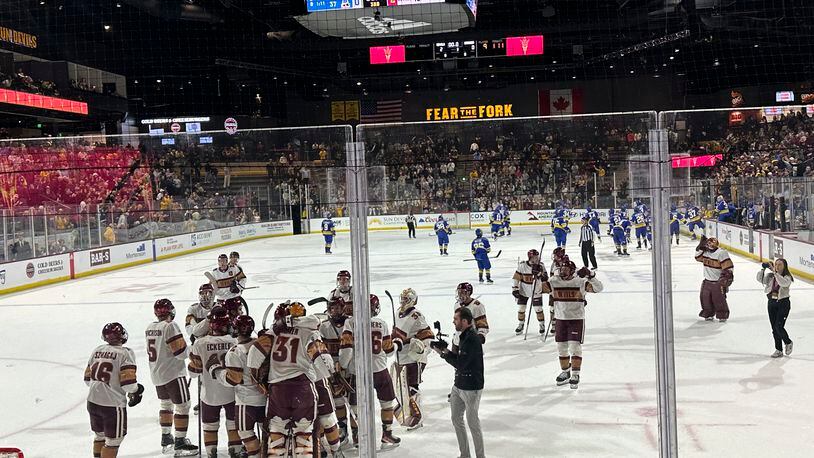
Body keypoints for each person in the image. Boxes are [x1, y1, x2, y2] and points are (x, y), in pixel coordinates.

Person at [247, 301, 334, 457]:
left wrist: (256, 377)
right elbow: (325, 365)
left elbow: (253, 356)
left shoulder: (274, 333)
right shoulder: (309, 332)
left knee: (276, 433)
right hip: (304, 389)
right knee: (304, 434)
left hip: (278, 391)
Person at [339, 294, 401, 449]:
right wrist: (397, 344)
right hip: (379, 369)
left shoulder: (351, 322)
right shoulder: (381, 323)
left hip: (358, 371)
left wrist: (343, 365)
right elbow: (387, 350)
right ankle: (387, 435)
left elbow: (347, 349)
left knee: (356, 406)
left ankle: (358, 437)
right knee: (386, 404)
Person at [208, 315, 266, 458]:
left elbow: (233, 379)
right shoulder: (261, 345)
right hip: (265, 398)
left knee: (245, 433)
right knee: (267, 433)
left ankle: (255, 455)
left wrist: (216, 370)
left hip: (245, 402)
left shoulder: (235, 352)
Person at [145, 299, 198, 456]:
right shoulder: (170, 326)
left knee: (166, 405)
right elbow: (181, 353)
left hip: (157, 374)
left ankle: (166, 438)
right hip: (173, 374)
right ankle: (180, 443)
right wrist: (195, 347)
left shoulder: (150, 327)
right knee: (183, 406)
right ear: (171, 311)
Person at [431, 307, 485, 458]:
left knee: (473, 423)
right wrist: (444, 351)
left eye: (456, 319)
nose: (453, 321)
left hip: (471, 387)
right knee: (456, 418)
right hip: (459, 384)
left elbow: (461, 364)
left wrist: (445, 353)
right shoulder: (463, 337)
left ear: (465, 321)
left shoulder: (472, 339)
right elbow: (459, 361)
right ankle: (465, 455)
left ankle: (481, 456)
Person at [188, 306, 241, 458]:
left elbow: (193, 373)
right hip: (231, 392)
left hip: (209, 394)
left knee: (210, 426)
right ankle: (236, 451)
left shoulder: (200, 343)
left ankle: (211, 453)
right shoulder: (234, 341)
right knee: (233, 423)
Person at [85, 322, 144, 458]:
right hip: (112, 405)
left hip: (92, 401)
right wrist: (137, 390)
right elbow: (128, 384)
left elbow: (87, 380)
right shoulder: (125, 353)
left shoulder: (97, 350)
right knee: (113, 441)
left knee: (100, 436)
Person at [541, 261, 604, 389]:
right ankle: (565, 371)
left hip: (576, 319)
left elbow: (599, 288)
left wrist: (591, 275)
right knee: (561, 348)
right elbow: (537, 290)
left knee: (574, 347)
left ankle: (575, 373)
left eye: (565, 269)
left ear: (572, 270)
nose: (562, 271)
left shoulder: (580, 282)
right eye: (561, 268)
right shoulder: (554, 281)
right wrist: (537, 276)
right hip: (560, 319)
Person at [391, 288, 435, 429]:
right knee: (401, 387)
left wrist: (422, 348)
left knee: (412, 387)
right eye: (402, 299)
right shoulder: (398, 312)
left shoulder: (416, 316)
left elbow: (428, 336)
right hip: (401, 356)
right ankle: (409, 412)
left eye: (406, 299)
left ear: (413, 300)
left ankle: (417, 417)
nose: (403, 302)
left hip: (413, 358)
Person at [319, 297, 352, 445]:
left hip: (350, 367)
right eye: (332, 308)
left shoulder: (350, 323)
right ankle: (343, 427)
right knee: (338, 400)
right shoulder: (324, 326)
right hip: (332, 368)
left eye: (337, 307)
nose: (334, 311)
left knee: (354, 401)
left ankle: (357, 432)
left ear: (343, 307)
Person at [757, 259, 794, 358]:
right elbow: (760, 279)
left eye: (780, 264)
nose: (777, 266)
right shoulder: (771, 276)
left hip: (783, 303)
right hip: (771, 302)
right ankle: (778, 349)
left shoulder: (787, 277)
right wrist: (762, 269)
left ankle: (788, 342)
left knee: (779, 326)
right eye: (776, 264)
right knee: (774, 328)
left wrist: (774, 272)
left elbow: (783, 283)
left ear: (784, 266)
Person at [694, 236, 734, 322]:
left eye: (710, 244)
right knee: (705, 299)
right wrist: (700, 248)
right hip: (707, 281)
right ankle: (708, 313)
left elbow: (728, 267)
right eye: (707, 244)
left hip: (718, 283)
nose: (708, 246)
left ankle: (722, 315)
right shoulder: (705, 252)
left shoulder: (721, 253)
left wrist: (726, 277)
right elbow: (697, 258)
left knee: (719, 299)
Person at [513, 249, 546, 335]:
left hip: (536, 291)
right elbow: (516, 278)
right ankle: (521, 324)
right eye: (535, 257)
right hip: (523, 291)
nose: (537, 258)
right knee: (521, 308)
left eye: (537, 257)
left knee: (538, 309)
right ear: (530, 257)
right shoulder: (522, 265)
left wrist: (539, 274)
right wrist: (515, 289)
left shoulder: (541, 265)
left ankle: (542, 325)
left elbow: (546, 278)